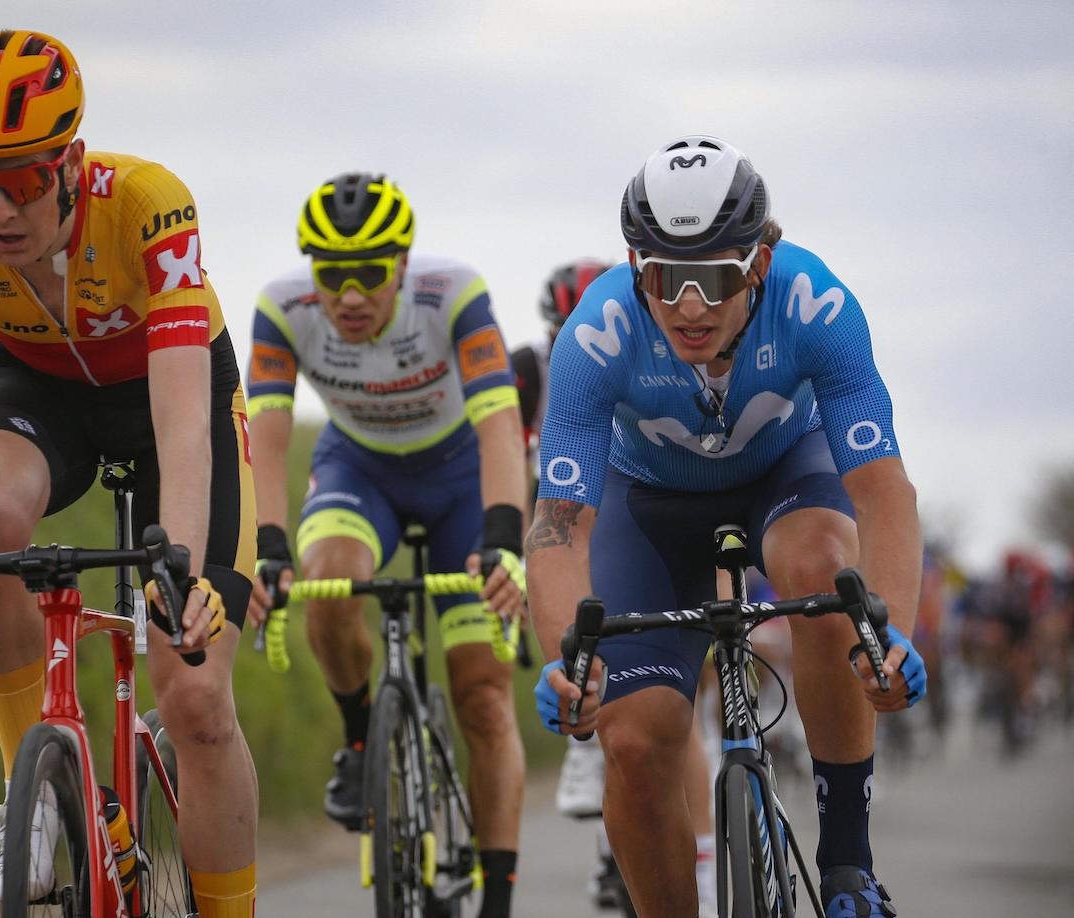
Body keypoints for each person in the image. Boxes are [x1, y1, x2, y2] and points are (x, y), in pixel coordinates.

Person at [0, 30, 259, 914]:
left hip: (167, 395)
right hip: (38, 386)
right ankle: (27, 792)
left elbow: (183, 425)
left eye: (25, 180)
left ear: (70, 164)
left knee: (195, 697)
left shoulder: (150, 204)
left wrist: (184, 569)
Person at [528, 135, 927, 918]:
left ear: (758, 264)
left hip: (786, 479)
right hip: (651, 507)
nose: (688, 306)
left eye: (713, 279)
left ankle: (848, 865)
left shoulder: (816, 304)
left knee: (823, 569)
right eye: (663, 278)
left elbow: (883, 494)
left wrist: (890, 636)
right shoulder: (596, 333)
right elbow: (560, 525)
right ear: (635, 266)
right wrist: (568, 663)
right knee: (633, 742)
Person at [245, 172, 528, 917]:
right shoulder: (282, 308)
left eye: (369, 274)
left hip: (461, 479)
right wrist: (268, 549)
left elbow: (501, 425)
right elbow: (265, 442)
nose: (349, 295)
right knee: (328, 579)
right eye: (332, 274)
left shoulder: (453, 293)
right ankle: (362, 740)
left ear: (401, 265)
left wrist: (505, 541)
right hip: (360, 468)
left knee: (482, 696)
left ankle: (496, 901)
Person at [514, 261, 718, 917]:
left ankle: (706, 850)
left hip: (648, 509)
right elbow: (517, 477)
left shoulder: (651, 351)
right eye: (559, 333)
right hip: (567, 512)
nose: (568, 344)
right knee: (550, 581)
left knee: (677, 696)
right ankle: (591, 735)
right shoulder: (531, 371)